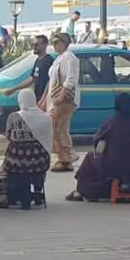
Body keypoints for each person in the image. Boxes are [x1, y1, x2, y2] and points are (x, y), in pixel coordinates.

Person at [66, 93, 130, 202]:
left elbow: (97, 142)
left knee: (90, 159)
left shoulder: (111, 123)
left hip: (114, 167)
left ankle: (82, 192)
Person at [0, 90, 52, 208]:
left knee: (4, 169)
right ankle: (38, 191)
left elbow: (8, 135)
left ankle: (2, 198)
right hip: (39, 162)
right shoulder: (46, 117)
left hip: (16, 163)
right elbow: (49, 139)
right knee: (41, 164)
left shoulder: (13, 117)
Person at [41, 33, 80, 172]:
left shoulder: (69, 57)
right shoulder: (58, 59)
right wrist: (44, 100)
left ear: (64, 43)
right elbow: (51, 82)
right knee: (55, 128)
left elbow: (71, 79)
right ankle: (64, 157)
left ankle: (66, 157)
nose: (54, 45)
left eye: (57, 42)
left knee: (60, 128)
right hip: (55, 99)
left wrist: (61, 96)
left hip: (64, 100)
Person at [4, 35, 53, 101]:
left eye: (37, 45)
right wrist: (14, 89)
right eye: (33, 44)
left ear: (45, 45)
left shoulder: (49, 61)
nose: (34, 47)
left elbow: (50, 82)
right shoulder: (38, 61)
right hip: (38, 98)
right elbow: (31, 79)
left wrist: (43, 100)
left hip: (46, 100)